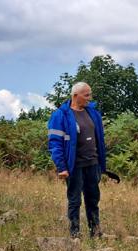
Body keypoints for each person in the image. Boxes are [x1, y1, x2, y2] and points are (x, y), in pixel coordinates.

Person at [47, 82, 107, 238]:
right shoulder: (60, 115)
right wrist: (61, 167)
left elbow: (99, 139)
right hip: (74, 166)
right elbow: (55, 143)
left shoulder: (94, 114)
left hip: (92, 164)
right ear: (75, 96)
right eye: (86, 95)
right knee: (75, 201)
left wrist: (101, 164)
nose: (90, 98)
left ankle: (95, 232)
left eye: (90, 94)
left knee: (93, 199)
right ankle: (75, 234)